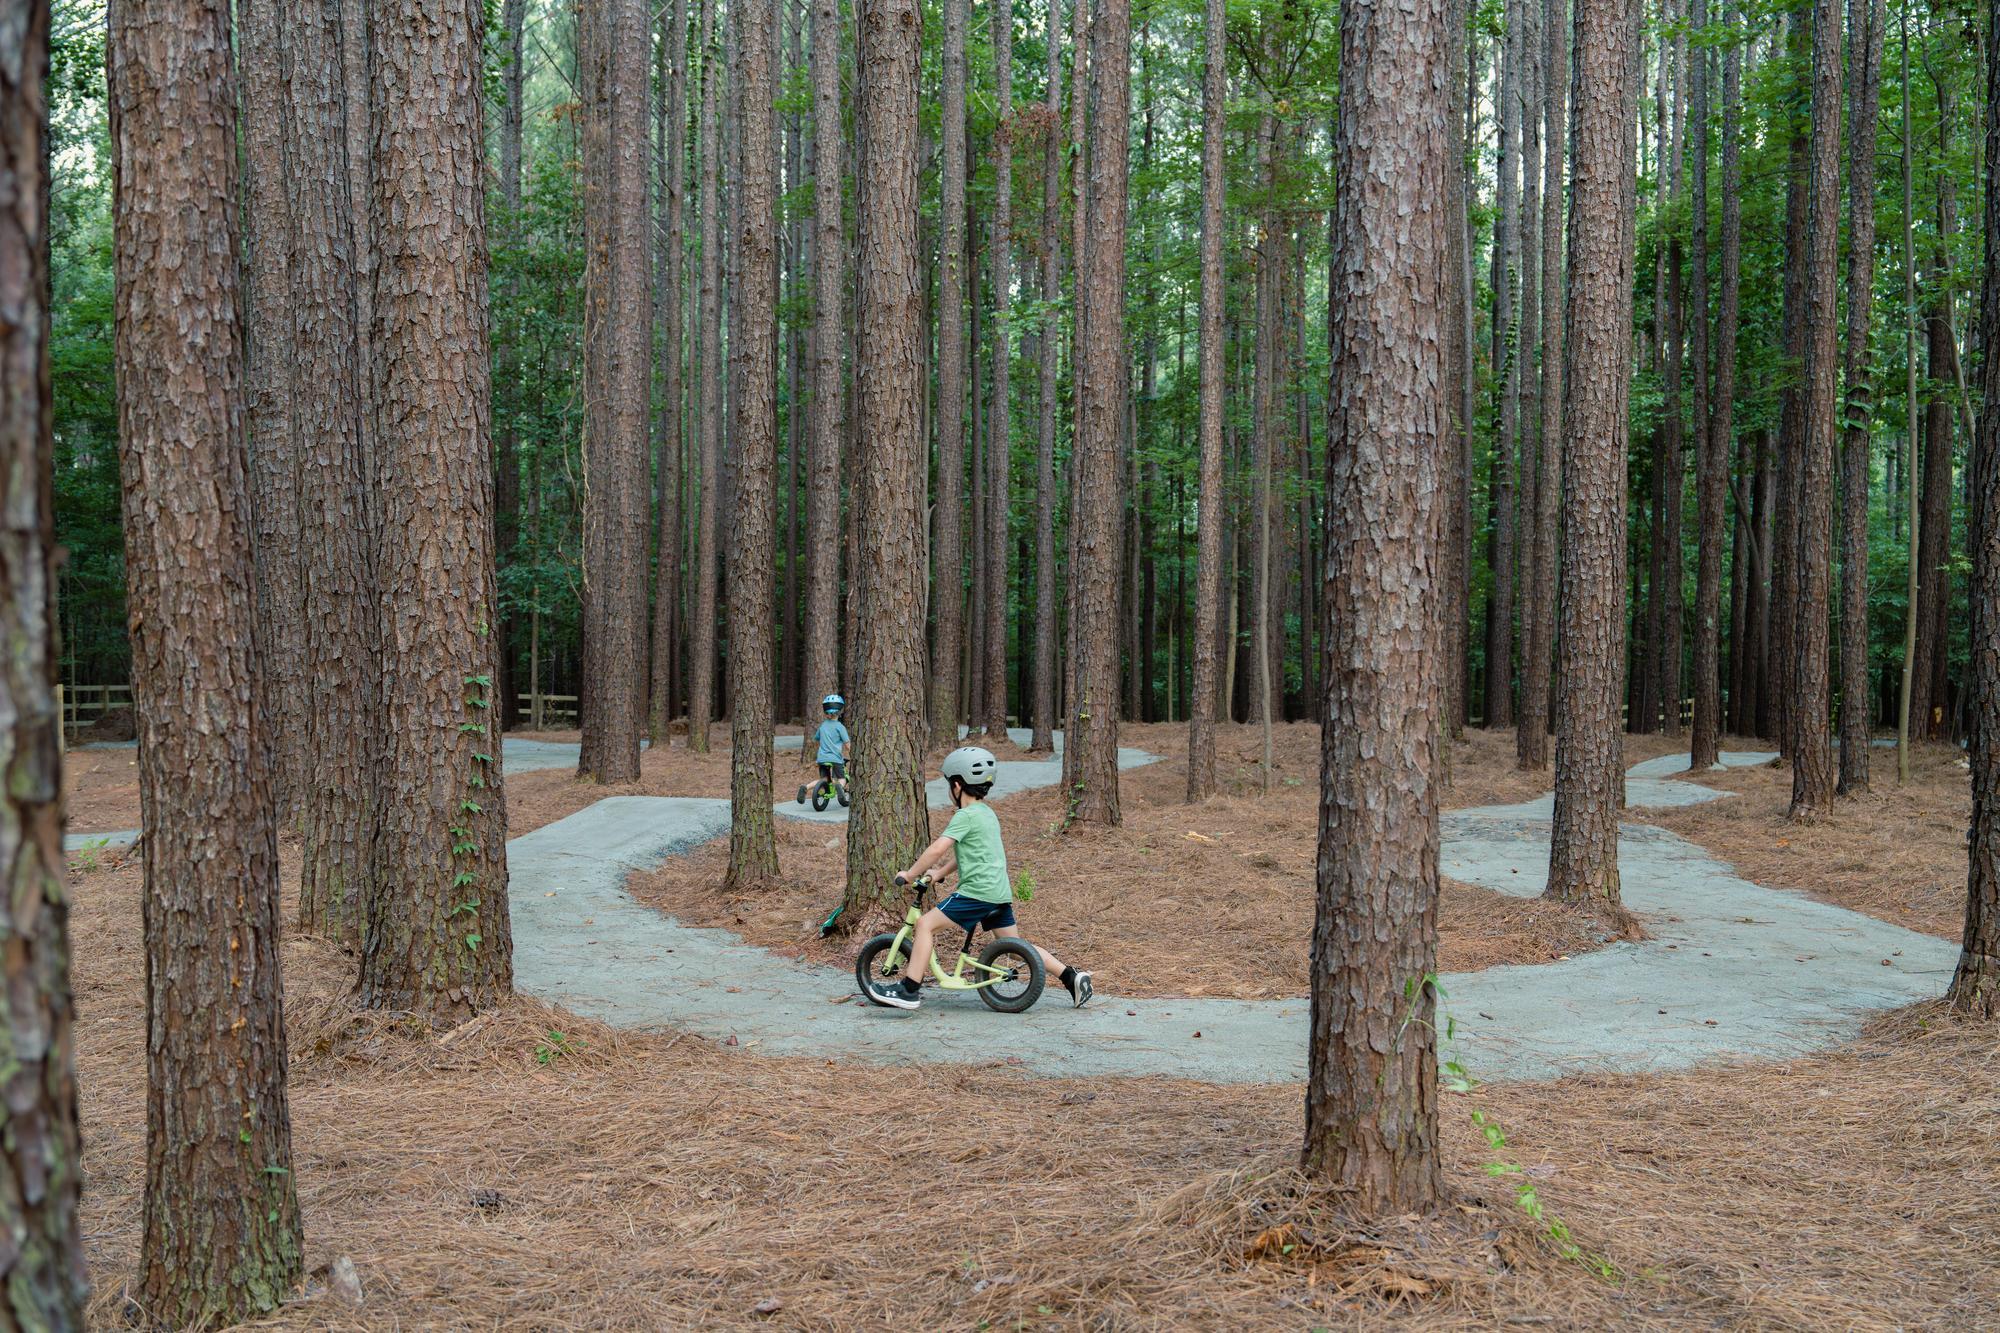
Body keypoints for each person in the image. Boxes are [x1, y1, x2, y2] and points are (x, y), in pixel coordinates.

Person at [864, 746, 1093, 1010]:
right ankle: (1071, 976)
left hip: (977, 893)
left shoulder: (965, 816)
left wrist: (910, 873)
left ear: (958, 785)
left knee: (925, 925)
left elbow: (938, 848)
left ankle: (909, 990)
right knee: (1016, 947)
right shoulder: (987, 814)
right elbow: (969, 853)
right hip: (998, 893)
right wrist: (939, 873)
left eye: (950, 784)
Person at [798, 694, 850, 806]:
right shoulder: (840, 727)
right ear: (840, 711)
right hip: (835, 759)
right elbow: (847, 744)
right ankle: (840, 788)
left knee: (824, 779)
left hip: (822, 758)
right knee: (841, 778)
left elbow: (816, 738)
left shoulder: (823, 726)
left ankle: (805, 787)